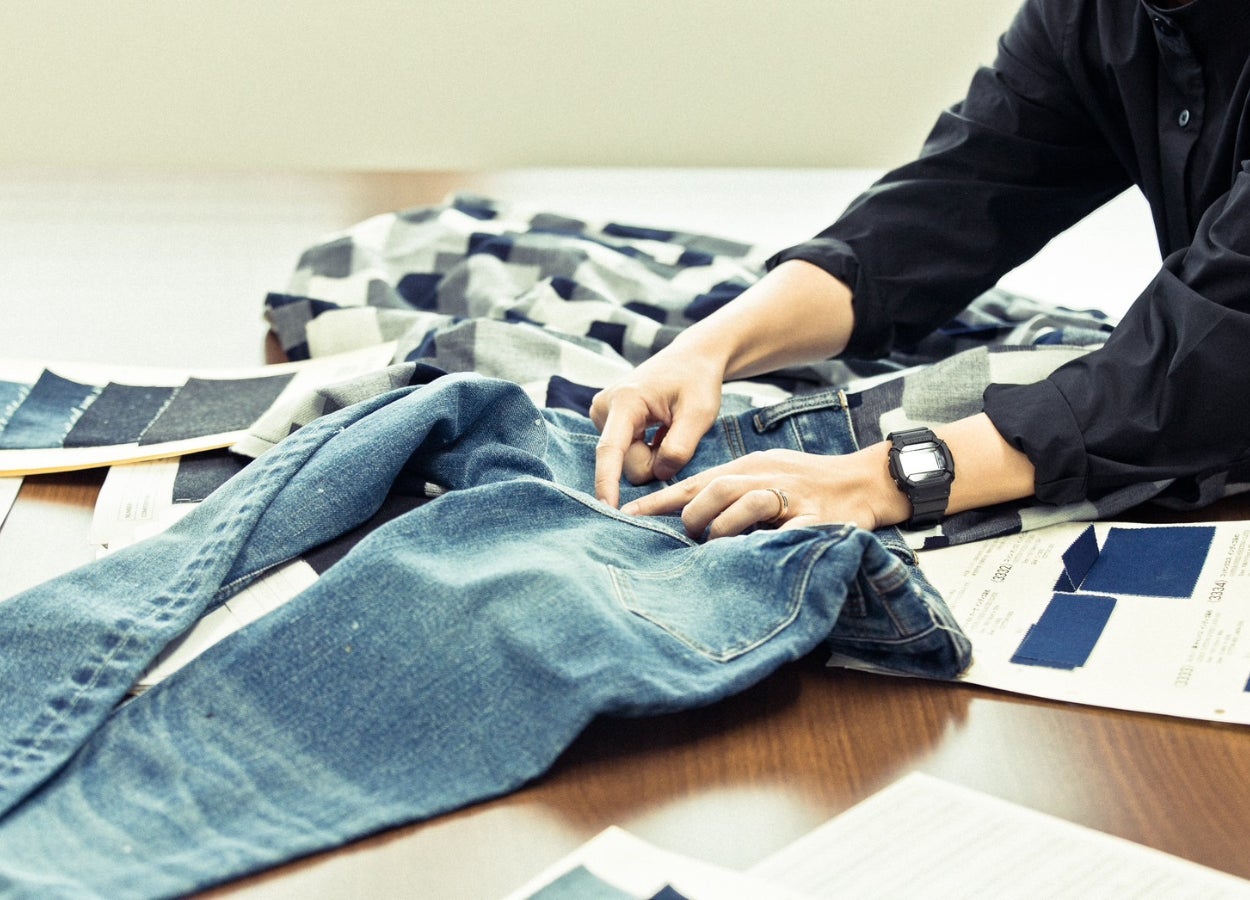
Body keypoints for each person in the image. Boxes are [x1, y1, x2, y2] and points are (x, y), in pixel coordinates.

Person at [592, 0, 1250, 539]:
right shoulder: (1095, 16)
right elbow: (945, 208)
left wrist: (878, 479)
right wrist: (708, 348)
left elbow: (1207, 362)